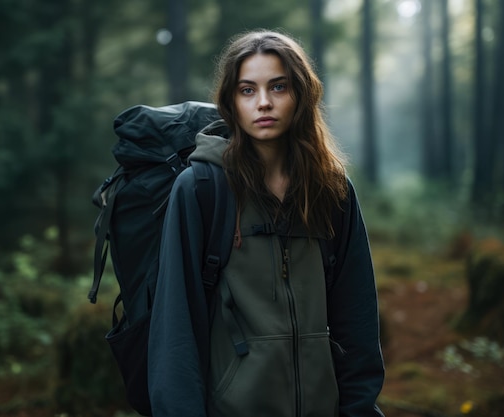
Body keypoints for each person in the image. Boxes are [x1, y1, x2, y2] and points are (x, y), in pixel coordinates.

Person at [148, 30, 384, 417]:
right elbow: (176, 328)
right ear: (231, 101)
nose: (263, 103)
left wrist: (358, 409)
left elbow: (356, 319)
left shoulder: (332, 190)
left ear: (301, 95)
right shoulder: (201, 189)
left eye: (278, 87)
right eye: (247, 90)